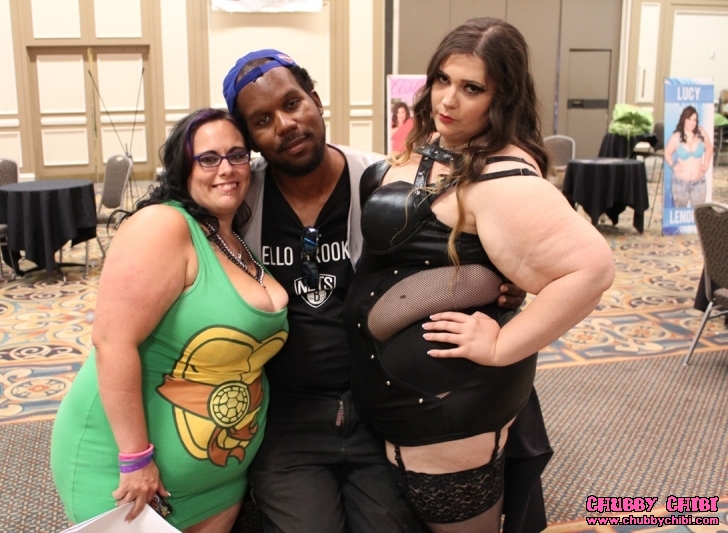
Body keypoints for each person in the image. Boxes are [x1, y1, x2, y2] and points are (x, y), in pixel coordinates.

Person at [222, 49, 548, 533]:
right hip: (290, 412)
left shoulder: (382, 179)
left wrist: (504, 280)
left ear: (315, 100)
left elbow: (460, 241)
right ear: (250, 138)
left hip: (379, 402)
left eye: (292, 104)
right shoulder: (240, 200)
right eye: (263, 120)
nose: (286, 124)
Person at [343, 18, 615, 533]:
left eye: (472, 89)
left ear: (501, 98)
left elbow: (593, 268)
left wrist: (501, 344)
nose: (448, 100)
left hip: (449, 416)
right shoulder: (442, 145)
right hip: (404, 404)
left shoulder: (502, 177)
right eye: (442, 80)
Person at [50, 109, 289, 532]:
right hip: (133, 478)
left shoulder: (234, 238)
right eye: (208, 158)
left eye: (237, 155)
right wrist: (135, 459)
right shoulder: (164, 225)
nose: (226, 169)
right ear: (183, 168)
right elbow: (112, 342)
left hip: (219, 477)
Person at [664, 105, 713, 208]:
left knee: (699, 213)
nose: (692, 123)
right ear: (684, 119)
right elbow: (667, 153)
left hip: (699, 183)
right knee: (680, 213)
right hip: (680, 183)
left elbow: (709, 148)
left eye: (694, 120)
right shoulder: (676, 137)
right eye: (689, 119)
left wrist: (706, 164)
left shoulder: (701, 132)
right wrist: (673, 165)